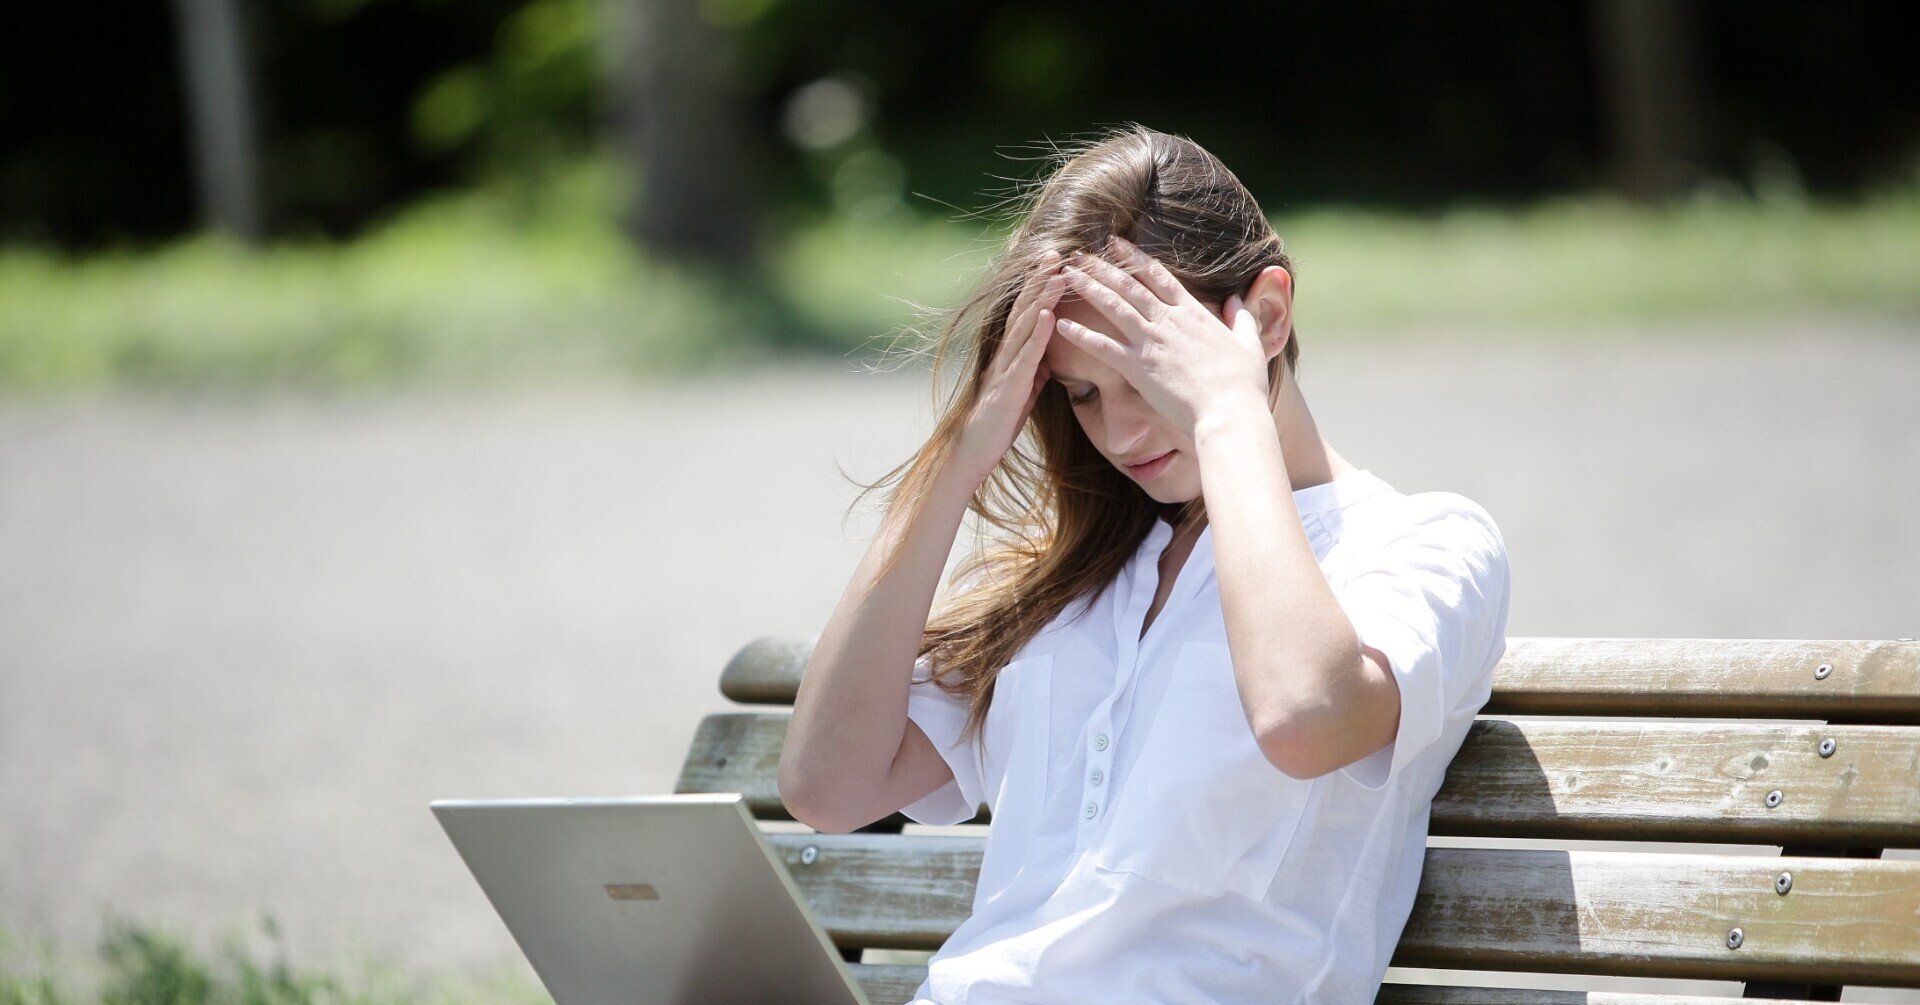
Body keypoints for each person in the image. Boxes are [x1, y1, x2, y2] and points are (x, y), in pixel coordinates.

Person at [778, 123, 1512, 1004]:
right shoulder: (1073, 580)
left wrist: (1227, 413)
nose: (1119, 433)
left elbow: (1306, 718)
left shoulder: (1425, 542)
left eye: (1146, 378)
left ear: (1266, 318)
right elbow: (826, 786)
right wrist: (958, 461)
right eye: (1081, 393)